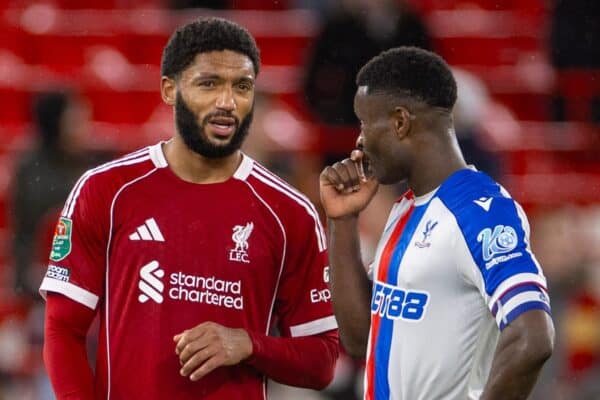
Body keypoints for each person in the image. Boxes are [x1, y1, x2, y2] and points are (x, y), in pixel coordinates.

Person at [40, 17, 338, 399]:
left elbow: (323, 362)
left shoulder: (290, 213)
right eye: (209, 84)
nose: (227, 102)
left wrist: (249, 344)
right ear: (170, 89)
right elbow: (63, 330)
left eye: (241, 87)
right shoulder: (105, 191)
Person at [319, 47, 555, 400]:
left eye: (365, 122)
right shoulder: (406, 208)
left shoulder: (480, 210)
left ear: (400, 122)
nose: (360, 139)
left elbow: (532, 338)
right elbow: (360, 338)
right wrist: (343, 222)